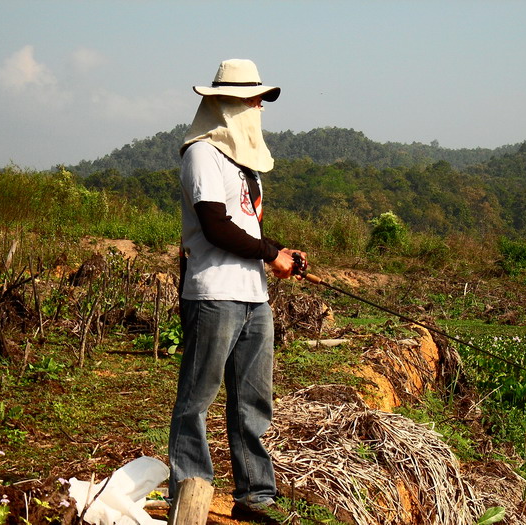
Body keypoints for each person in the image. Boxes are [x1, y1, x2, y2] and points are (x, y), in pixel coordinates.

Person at [168, 58, 305, 522]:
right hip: (212, 293)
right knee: (197, 399)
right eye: (253, 99)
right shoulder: (202, 154)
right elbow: (214, 226)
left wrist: (278, 252)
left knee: (252, 399)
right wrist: (271, 253)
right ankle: (190, 493)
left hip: (252, 296)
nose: (259, 107)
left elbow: (244, 224)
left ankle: (256, 495)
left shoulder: (244, 163)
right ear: (226, 103)